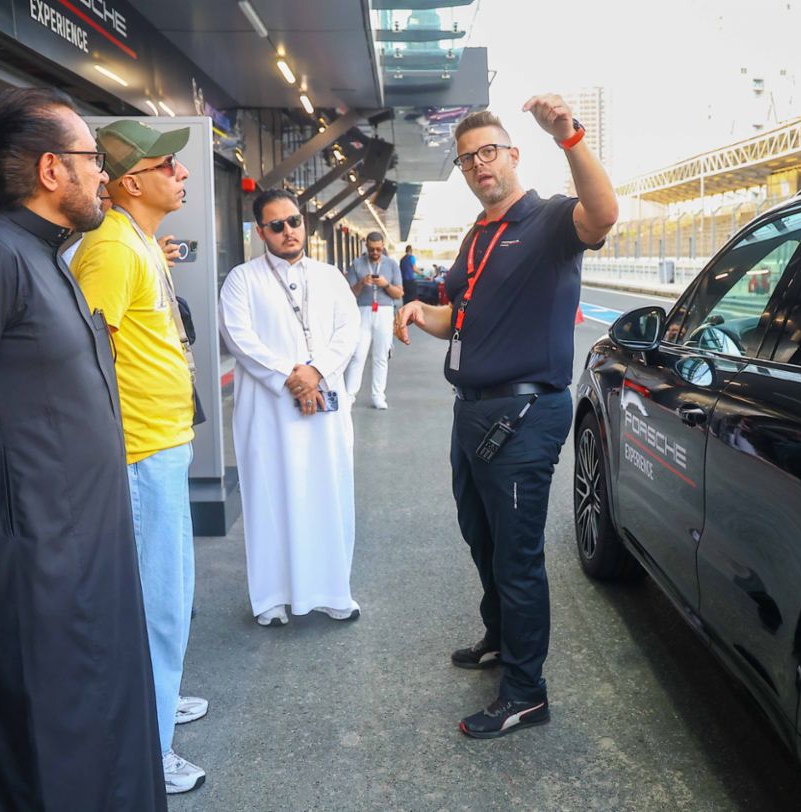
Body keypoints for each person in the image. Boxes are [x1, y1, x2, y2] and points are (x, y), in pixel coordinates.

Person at [0, 88, 166, 811]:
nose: (104, 174)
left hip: (83, 543)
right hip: (36, 553)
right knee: (53, 737)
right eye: (92, 158)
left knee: (102, 720)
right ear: (51, 169)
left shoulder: (44, 252)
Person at [394, 96, 618, 738]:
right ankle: (500, 638)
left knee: (517, 556)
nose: (478, 164)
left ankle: (526, 693)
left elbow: (603, 213)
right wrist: (420, 312)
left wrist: (569, 136)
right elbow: (457, 318)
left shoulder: (548, 220)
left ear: (514, 155)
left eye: (488, 151)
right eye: (467, 158)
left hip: (524, 414)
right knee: (482, 537)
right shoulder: (477, 235)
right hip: (473, 412)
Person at [70, 119, 207, 795]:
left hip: (161, 445)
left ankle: (161, 699)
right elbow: (80, 360)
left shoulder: (137, 241)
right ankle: (148, 747)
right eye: (168, 166)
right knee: (155, 604)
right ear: (131, 182)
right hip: (139, 453)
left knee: (171, 594)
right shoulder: (112, 249)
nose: (182, 174)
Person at [219, 189, 360, 627]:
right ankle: (271, 597)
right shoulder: (242, 279)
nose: (288, 231)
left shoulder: (330, 276)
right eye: (276, 225)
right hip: (269, 410)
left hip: (325, 407)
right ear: (261, 232)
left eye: (294, 221)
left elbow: (348, 330)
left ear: (304, 223)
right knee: (270, 497)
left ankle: (333, 591)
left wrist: (315, 372)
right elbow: (239, 338)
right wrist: (291, 377)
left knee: (328, 492)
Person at [344, 231, 403, 409]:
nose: (375, 252)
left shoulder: (391, 264)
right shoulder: (357, 264)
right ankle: (349, 395)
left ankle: (378, 395)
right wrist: (362, 283)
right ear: (366, 247)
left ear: (383, 246)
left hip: (384, 311)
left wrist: (385, 284)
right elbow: (349, 294)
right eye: (371, 249)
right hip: (362, 310)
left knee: (381, 355)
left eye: (378, 249)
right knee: (357, 354)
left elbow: (399, 293)